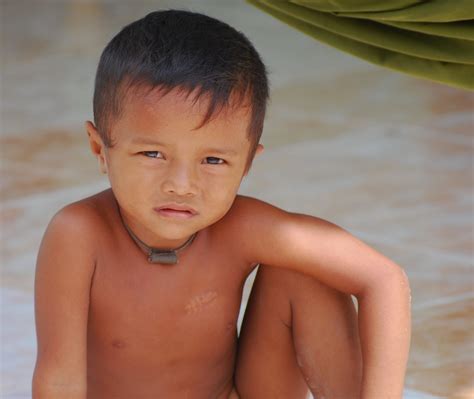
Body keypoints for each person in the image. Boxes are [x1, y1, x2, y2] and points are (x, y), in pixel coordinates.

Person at [32, 9, 411, 399]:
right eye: (152, 153)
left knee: (307, 270)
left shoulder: (241, 227)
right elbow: (59, 381)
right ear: (100, 148)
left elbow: (384, 279)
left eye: (213, 161)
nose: (181, 186)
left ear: (247, 163)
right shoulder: (79, 234)